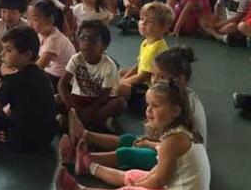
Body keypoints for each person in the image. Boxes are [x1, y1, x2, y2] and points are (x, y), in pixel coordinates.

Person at [55, 80, 211, 190]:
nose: (148, 110)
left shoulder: (173, 141)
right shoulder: (179, 132)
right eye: (148, 105)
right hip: (179, 189)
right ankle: (89, 166)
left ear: (175, 112)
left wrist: (137, 186)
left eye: (155, 106)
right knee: (132, 174)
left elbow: (159, 180)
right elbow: (163, 167)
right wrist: (141, 177)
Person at [61, 46, 207, 171]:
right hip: (167, 147)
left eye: (161, 78)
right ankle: (85, 135)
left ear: (180, 80)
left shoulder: (183, 105)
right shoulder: (176, 95)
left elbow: (172, 146)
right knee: (131, 140)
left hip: (176, 162)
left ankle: (81, 159)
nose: (154, 81)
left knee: (128, 153)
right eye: (153, 76)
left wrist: (149, 143)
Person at [0, 26, 57, 153]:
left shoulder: (12, 80)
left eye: (8, 50)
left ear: (27, 55)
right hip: (45, 140)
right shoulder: (43, 77)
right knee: (13, 109)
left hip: (19, 142)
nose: (2, 54)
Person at [57, 21, 125, 130]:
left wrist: (90, 110)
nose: (87, 43)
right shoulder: (76, 59)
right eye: (83, 38)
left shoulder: (109, 65)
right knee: (57, 99)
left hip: (98, 101)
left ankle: (76, 120)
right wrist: (71, 106)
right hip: (78, 99)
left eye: (93, 39)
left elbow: (105, 95)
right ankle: (94, 122)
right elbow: (62, 84)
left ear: (104, 46)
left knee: (120, 104)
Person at [117, 1, 173, 112]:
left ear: (163, 27)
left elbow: (143, 76)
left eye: (150, 21)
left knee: (119, 88)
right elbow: (139, 65)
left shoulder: (156, 48)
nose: (143, 23)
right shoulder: (146, 42)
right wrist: (124, 78)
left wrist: (122, 83)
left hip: (151, 89)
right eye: (142, 19)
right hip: (143, 82)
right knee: (122, 73)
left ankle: (139, 105)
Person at [28, 0, 75, 89]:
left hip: (62, 80)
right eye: (28, 18)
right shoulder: (41, 34)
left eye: (34, 19)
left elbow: (38, 67)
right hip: (50, 72)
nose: (29, 23)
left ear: (49, 20)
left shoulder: (54, 41)